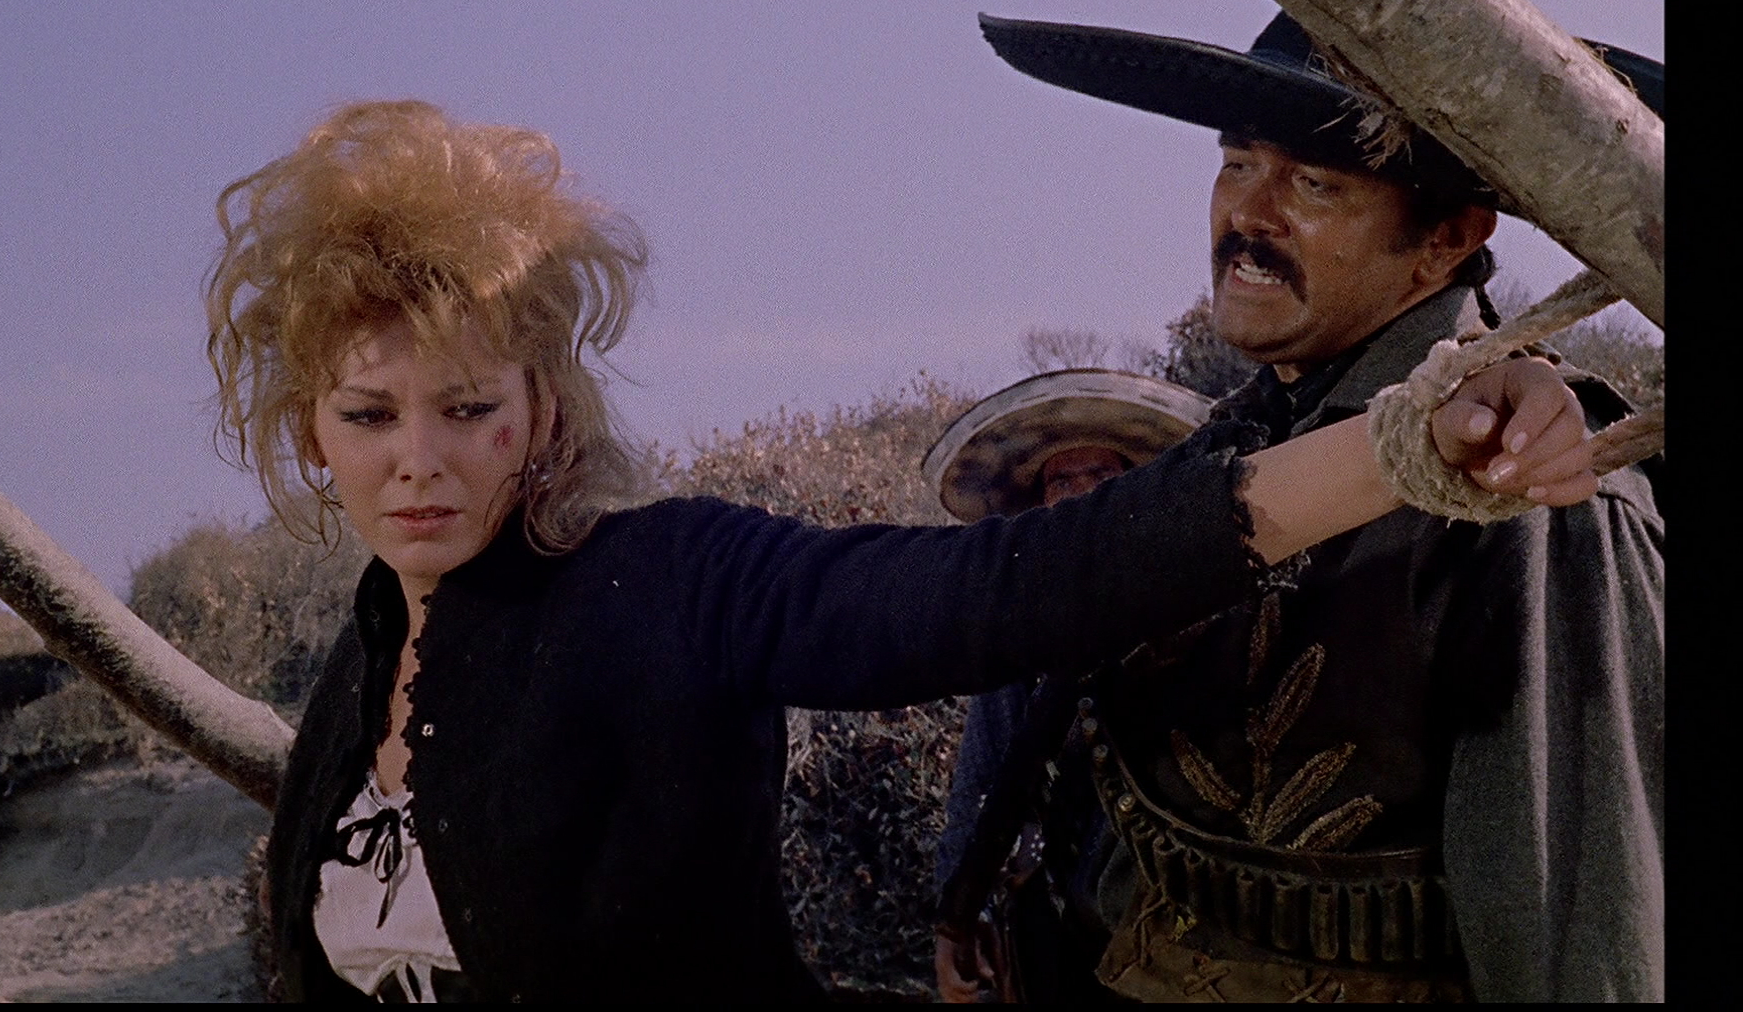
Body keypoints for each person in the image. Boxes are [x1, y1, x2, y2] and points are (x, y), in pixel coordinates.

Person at [205, 100, 1597, 1002]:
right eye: (368, 415)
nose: (419, 460)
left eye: (466, 409)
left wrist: (1415, 440)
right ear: (309, 433)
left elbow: (1010, 589)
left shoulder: (670, 582)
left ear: (539, 414)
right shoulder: (360, 666)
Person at [972, 9, 1665, 1001]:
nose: (1249, 215)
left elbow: (1580, 938)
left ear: (1446, 241)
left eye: (1314, 184)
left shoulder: (1535, 482)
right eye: (1237, 163)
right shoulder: (1231, 442)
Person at [925, 369, 1214, 1003]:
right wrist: (960, 910)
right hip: (1051, 920)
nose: (1083, 496)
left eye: (1101, 476)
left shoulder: (1196, 607)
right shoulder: (1020, 625)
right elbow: (983, 778)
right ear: (1043, 502)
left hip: (1174, 920)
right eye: (1062, 481)